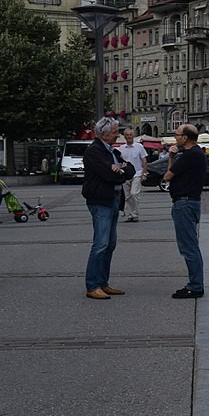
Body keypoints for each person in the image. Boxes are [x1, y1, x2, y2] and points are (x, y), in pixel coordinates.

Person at [81, 117, 135, 300]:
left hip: (113, 199)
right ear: (103, 134)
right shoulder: (94, 152)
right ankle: (92, 285)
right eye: (114, 132)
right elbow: (109, 175)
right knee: (101, 243)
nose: (117, 134)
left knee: (110, 244)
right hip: (100, 200)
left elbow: (131, 171)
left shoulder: (113, 152)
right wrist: (121, 172)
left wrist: (120, 169)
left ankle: (103, 282)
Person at [162, 123, 206, 298]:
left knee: (188, 247)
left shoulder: (191, 155)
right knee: (190, 245)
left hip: (185, 204)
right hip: (189, 203)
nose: (175, 137)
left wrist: (171, 157)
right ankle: (195, 284)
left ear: (185, 138)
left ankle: (195, 286)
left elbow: (167, 175)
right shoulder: (196, 153)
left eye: (177, 134)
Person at [119, 128, 148, 222]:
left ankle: (135, 213)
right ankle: (130, 215)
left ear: (133, 136)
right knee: (127, 196)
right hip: (125, 175)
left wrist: (144, 173)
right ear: (125, 137)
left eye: (130, 135)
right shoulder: (121, 148)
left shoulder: (139, 147)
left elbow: (144, 160)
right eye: (127, 135)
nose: (129, 137)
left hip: (137, 174)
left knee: (134, 193)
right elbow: (119, 162)